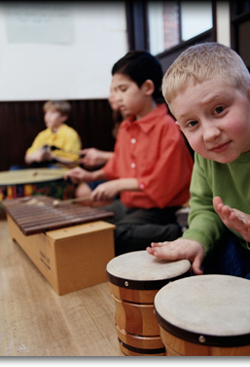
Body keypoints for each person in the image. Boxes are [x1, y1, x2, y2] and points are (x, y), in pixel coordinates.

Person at [147, 43, 250, 356]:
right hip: (249, 250)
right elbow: (203, 207)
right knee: (196, 278)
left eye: (218, 110)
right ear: (181, 128)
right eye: (192, 124)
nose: (209, 133)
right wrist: (196, 238)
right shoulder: (208, 151)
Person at [65, 50, 194, 255]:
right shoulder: (126, 127)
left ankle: (180, 230)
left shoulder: (167, 127)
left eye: (122, 89)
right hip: (129, 204)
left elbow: (165, 181)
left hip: (159, 210)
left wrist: (118, 185)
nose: (116, 98)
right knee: (92, 223)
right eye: (114, 91)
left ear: (147, 87)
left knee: (114, 236)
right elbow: (119, 164)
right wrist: (91, 176)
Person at [25, 100, 81, 168]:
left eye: (52, 113)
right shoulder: (43, 134)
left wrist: (52, 157)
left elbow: (74, 162)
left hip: (63, 173)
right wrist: (37, 156)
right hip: (43, 171)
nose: (47, 117)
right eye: (46, 113)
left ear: (63, 117)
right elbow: (27, 158)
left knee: (52, 167)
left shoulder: (71, 134)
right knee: (15, 168)